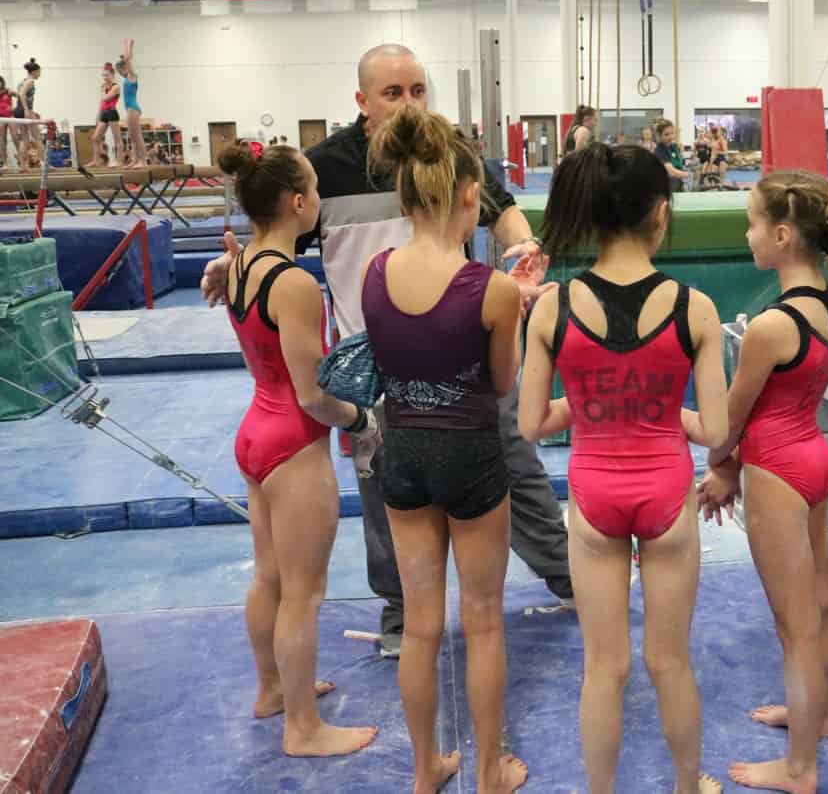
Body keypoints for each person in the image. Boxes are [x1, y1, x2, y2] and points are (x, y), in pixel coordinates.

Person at [203, 43, 573, 657]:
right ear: (362, 100)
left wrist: (524, 241)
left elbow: (501, 209)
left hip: (462, 349)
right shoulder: (325, 170)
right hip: (379, 362)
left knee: (515, 463)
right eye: (393, 93)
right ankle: (401, 610)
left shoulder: (448, 152)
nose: (409, 103)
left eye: (418, 90)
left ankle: (565, 575)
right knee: (384, 493)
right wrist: (235, 263)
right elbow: (279, 234)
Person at [518, 143, 727, 794]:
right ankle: (687, 786)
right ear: (659, 213)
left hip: (594, 494)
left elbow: (530, 423)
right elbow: (717, 431)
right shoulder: (694, 307)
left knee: (603, 668)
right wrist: (663, 414)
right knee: (669, 662)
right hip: (666, 487)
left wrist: (587, 404)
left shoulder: (552, 305)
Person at [361, 106, 528, 794]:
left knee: (421, 626)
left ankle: (425, 769)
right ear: (471, 196)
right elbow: (502, 382)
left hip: (400, 454)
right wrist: (514, 310)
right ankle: (489, 774)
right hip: (470, 458)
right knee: (483, 624)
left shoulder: (374, 273)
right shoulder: (494, 290)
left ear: (403, 198)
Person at [698, 169, 828, 794]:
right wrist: (729, 462)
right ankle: (817, 717)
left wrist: (718, 464)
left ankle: (800, 768)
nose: (746, 235)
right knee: (822, 604)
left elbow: (729, 419)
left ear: (781, 235)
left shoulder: (770, 328)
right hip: (814, 459)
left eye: (751, 224)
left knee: (793, 627)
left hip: (777, 470)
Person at [218, 141, 379, 759]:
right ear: (295, 202)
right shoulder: (294, 284)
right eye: (314, 187)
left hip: (255, 430)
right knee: (304, 593)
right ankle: (304, 729)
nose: (319, 196)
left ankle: (272, 691)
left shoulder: (237, 263)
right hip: (292, 443)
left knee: (270, 576)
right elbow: (313, 397)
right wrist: (361, 417)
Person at [116, 39, 146, 167]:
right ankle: (135, 159)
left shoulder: (132, 76)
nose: (120, 73)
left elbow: (128, 60)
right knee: (132, 136)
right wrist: (128, 48)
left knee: (137, 136)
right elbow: (127, 59)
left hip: (133, 108)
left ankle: (143, 161)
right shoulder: (127, 77)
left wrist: (127, 45)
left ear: (126, 68)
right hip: (129, 109)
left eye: (120, 70)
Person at [84, 65, 121, 169]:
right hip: (104, 114)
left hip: (112, 113)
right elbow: (102, 102)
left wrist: (103, 90)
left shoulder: (115, 87)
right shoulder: (104, 87)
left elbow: (105, 98)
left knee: (117, 139)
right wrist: (98, 115)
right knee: (95, 138)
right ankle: (96, 161)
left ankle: (119, 161)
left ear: (112, 74)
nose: (104, 77)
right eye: (103, 75)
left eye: (106, 75)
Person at [654, 118, 696, 191]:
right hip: (667, 186)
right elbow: (671, 171)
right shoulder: (659, 151)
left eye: (672, 133)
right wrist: (689, 174)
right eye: (666, 134)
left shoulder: (674, 146)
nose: (671, 137)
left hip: (679, 183)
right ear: (659, 136)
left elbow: (681, 163)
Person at [16, 59, 40, 170]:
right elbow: (22, 94)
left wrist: (28, 110)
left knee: (24, 140)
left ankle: (22, 166)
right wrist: (27, 110)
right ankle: (45, 164)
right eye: (39, 72)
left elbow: (20, 95)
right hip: (25, 110)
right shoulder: (30, 81)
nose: (39, 75)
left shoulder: (23, 81)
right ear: (34, 71)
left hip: (18, 110)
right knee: (37, 138)